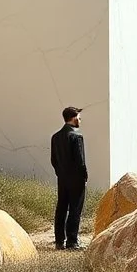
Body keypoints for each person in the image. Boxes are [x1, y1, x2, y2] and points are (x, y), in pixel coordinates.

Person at [50, 106, 88, 250]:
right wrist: (84, 175)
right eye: (78, 117)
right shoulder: (76, 136)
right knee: (75, 209)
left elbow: (53, 160)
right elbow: (80, 160)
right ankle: (72, 241)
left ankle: (59, 241)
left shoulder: (56, 137)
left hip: (62, 178)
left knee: (61, 208)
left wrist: (60, 173)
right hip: (76, 179)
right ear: (73, 118)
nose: (80, 120)